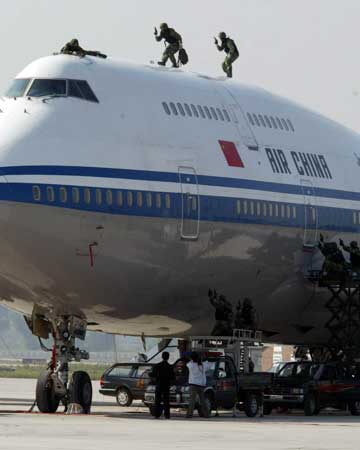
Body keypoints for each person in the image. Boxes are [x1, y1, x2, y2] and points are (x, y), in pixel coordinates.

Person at [186, 352, 212, 418]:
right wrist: (204, 359)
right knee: (203, 401)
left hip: (193, 385)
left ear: (192, 358)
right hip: (201, 385)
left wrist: (194, 359)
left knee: (192, 401)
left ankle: (189, 415)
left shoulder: (190, 365)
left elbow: (188, 363)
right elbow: (209, 365)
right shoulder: (202, 365)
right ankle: (206, 414)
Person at [149, 351, 174, 419]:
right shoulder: (170, 367)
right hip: (166, 386)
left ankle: (157, 414)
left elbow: (153, 374)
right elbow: (173, 377)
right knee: (166, 401)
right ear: (168, 357)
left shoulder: (157, 365)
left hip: (159, 385)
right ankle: (167, 415)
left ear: (162, 357)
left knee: (158, 400)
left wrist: (150, 374)